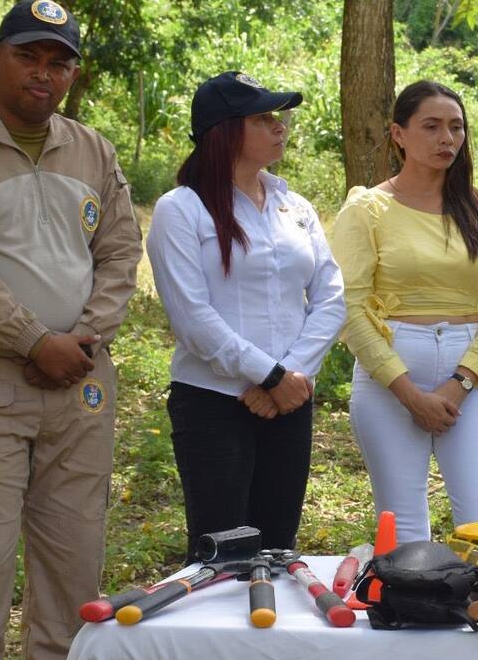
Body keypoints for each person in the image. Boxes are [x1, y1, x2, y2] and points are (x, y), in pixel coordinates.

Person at [0, 0, 142, 660]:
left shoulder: (92, 150)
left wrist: (83, 340)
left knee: (73, 556)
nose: (45, 73)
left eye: (60, 61)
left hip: (80, 387)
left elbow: (119, 253)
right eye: (30, 56)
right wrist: (31, 339)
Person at [146, 72, 345, 561]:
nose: (280, 127)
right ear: (224, 131)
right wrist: (270, 376)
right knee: (221, 558)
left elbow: (331, 296)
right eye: (263, 118)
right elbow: (192, 317)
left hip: (290, 403)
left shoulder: (294, 206)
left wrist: (290, 377)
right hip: (213, 405)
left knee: (277, 551)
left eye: (278, 117)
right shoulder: (181, 209)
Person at [331, 80, 478, 543]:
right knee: (404, 531)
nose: (447, 139)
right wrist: (408, 393)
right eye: (431, 126)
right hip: (390, 378)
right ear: (398, 134)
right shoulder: (367, 209)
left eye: (456, 127)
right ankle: (410, 592)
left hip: (470, 377)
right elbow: (349, 306)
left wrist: (461, 383)